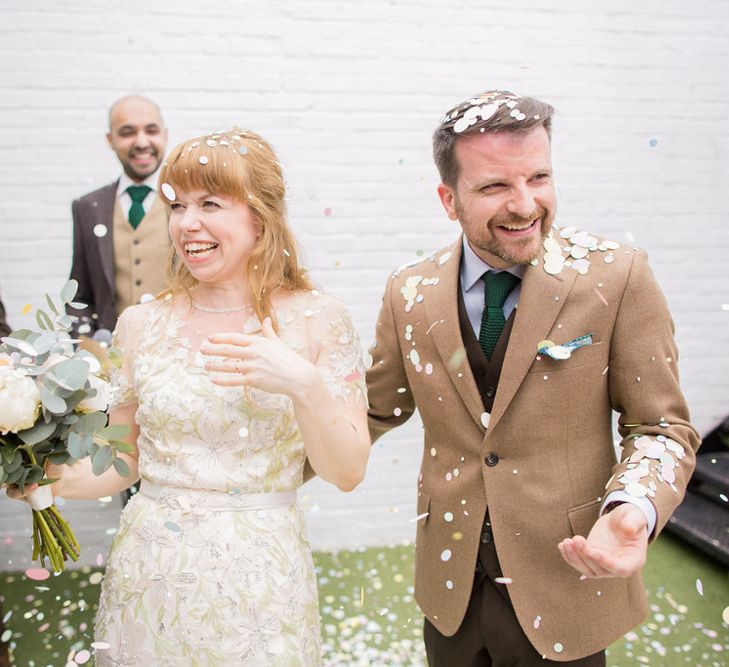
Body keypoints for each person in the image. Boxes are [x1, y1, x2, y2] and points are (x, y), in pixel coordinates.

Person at [10, 128, 370, 664]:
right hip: (150, 568)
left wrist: (302, 384)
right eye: (177, 205)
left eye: (209, 204)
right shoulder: (141, 324)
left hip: (262, 581)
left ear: (260, 215)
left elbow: (346, 472)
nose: (187, 223)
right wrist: (43, 475)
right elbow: (127, 459)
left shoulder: (320, 319)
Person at [365, 90, 700, 665]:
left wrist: (633, 507)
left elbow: (661, 427)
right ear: (449, 199)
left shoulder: (617, 277)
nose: (525, 205)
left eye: (538, 177)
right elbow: (374, 410)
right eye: (495, 186)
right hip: (451, 590)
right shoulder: (408, 291)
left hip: (565, 584)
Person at [68, 94, 171, 337]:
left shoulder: (187, 201)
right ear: (110, 139)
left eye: (151, 130)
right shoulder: (87, 208)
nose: (142, 142)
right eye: (127, 132)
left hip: (176, 355)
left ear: (165, 135)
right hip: (112, 359)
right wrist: (87, 349)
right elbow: (79, 296)